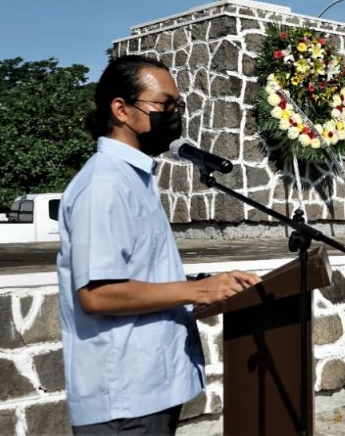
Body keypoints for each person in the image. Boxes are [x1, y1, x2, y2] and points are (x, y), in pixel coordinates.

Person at [57, 55, 262, 433]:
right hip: (124, 399)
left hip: (151, 390)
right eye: (164, 105)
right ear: (121, 109)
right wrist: (196, 290)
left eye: (177, 106)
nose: (174, 114)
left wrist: (210, 283)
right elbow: (97, 295)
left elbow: (142, 275)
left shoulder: (134, 179)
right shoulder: (105, 185)